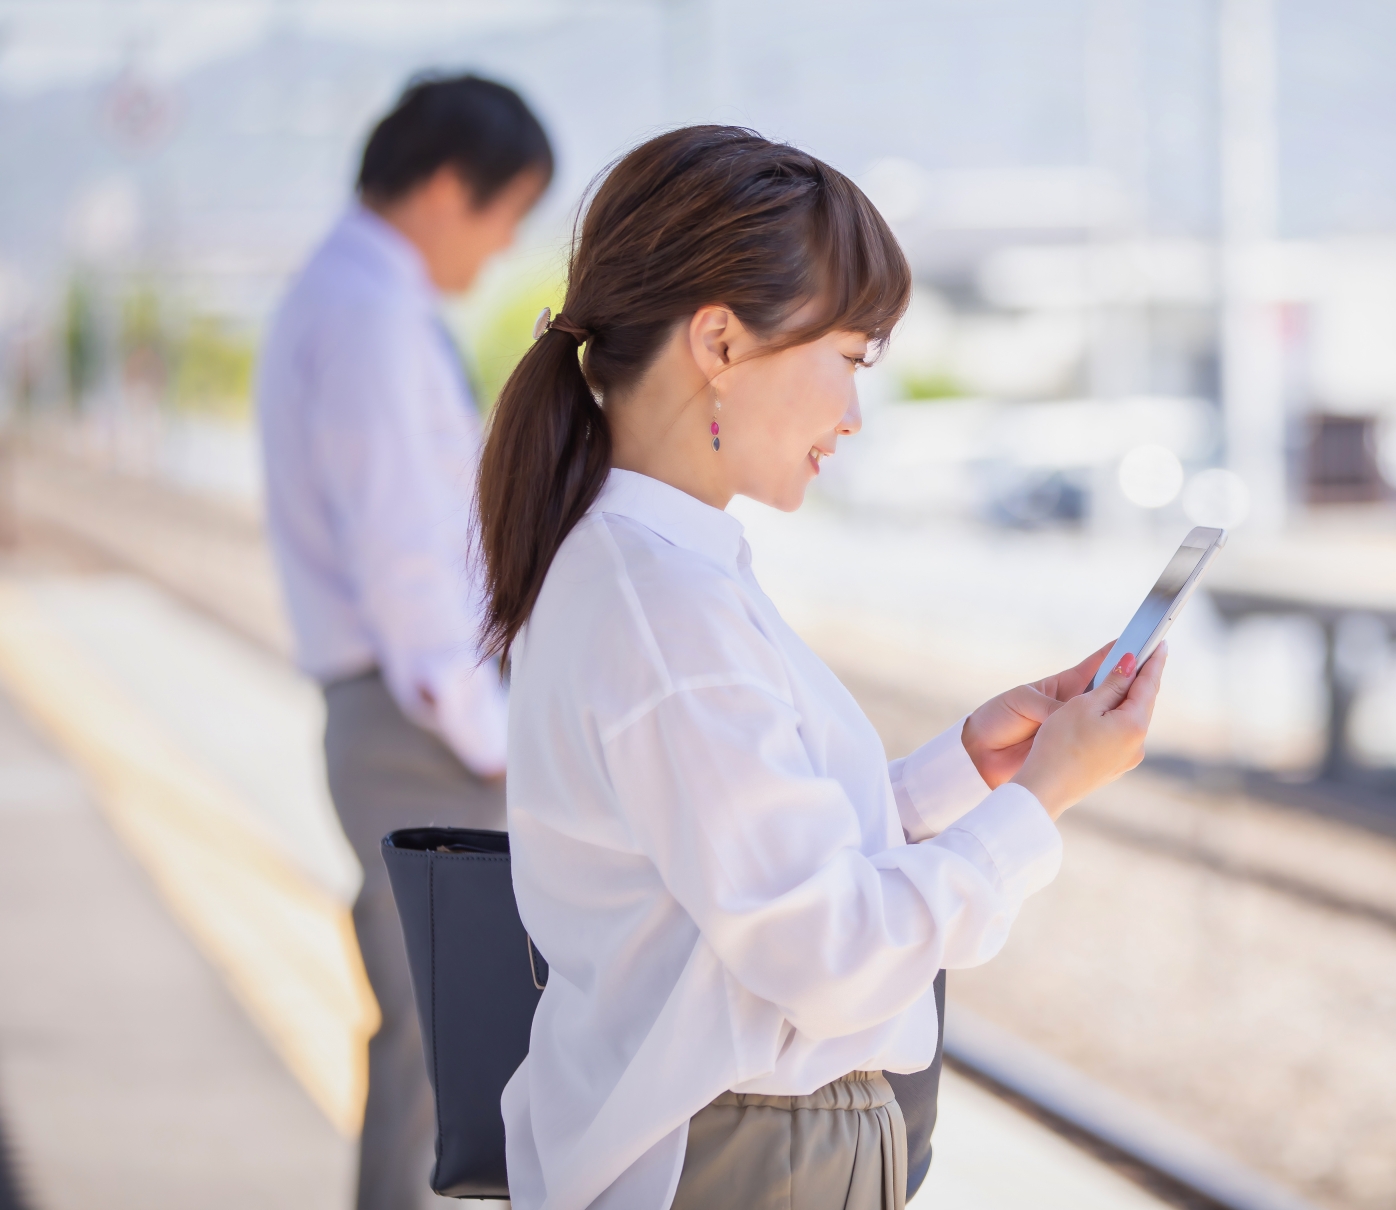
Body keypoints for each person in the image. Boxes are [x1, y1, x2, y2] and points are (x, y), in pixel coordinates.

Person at [475, 125, 1166, 1210]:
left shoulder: (650, 569)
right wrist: (1044, 796)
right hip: (740, 1163)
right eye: (848, 358)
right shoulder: (662, 605)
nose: (851, 414)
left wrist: (960, 773)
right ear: (718, 340)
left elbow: (741, 859)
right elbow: (829, 948)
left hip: (737, 1149)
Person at [255, 74, 553, 1210]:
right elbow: (408, 563)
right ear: (443, 188)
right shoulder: (373, 317)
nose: (504, 242)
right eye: (506, 211)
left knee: (438, 1042)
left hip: (393, 714)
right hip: (416, 724)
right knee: (450, 1046)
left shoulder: (339, 295)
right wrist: (491, 738)